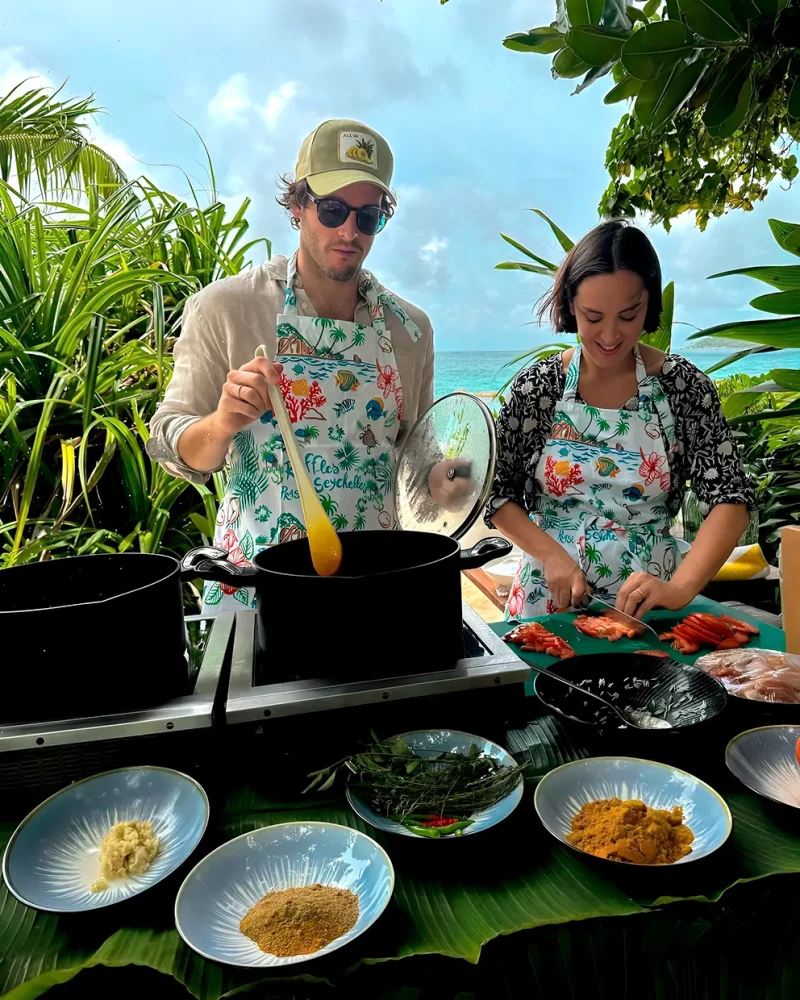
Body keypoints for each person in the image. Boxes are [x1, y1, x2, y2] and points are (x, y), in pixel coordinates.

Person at [148, 118, 435, 612]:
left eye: (368, 217)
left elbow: (416, 459)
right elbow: (170, 443)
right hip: (255, 588)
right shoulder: (228, 307)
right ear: (298, 204)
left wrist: (447, 479)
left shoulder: (410, 329)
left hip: (373, 588)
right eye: (332, 209)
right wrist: (220, 423)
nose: (349, 231)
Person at [486, 220, 754, 622]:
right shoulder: (539, 387)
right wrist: (550, 555)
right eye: (593, 317)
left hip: (648, 611)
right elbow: (497, 491)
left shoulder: (683, 387)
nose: (610, 336)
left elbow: (730, 497)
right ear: (570, 305)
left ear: (649, 305)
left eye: (628, 316)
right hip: (547, 602)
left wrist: (680, 589)